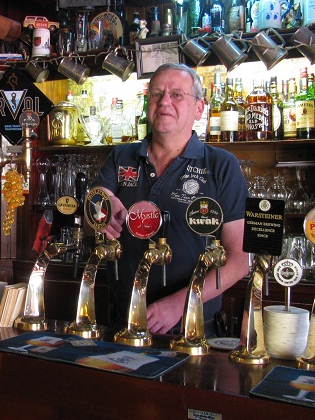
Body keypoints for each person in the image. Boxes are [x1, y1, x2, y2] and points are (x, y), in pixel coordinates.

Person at [93, 63, 250, 337]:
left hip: (193, 327)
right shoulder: (121, 157)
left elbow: (240, 259)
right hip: (123, 321)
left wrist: (182, 302)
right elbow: (96, 202)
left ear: (199, 108)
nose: (164, 101)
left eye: (177, 94)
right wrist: (100, 208)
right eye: (156, 94)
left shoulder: (221, 165)